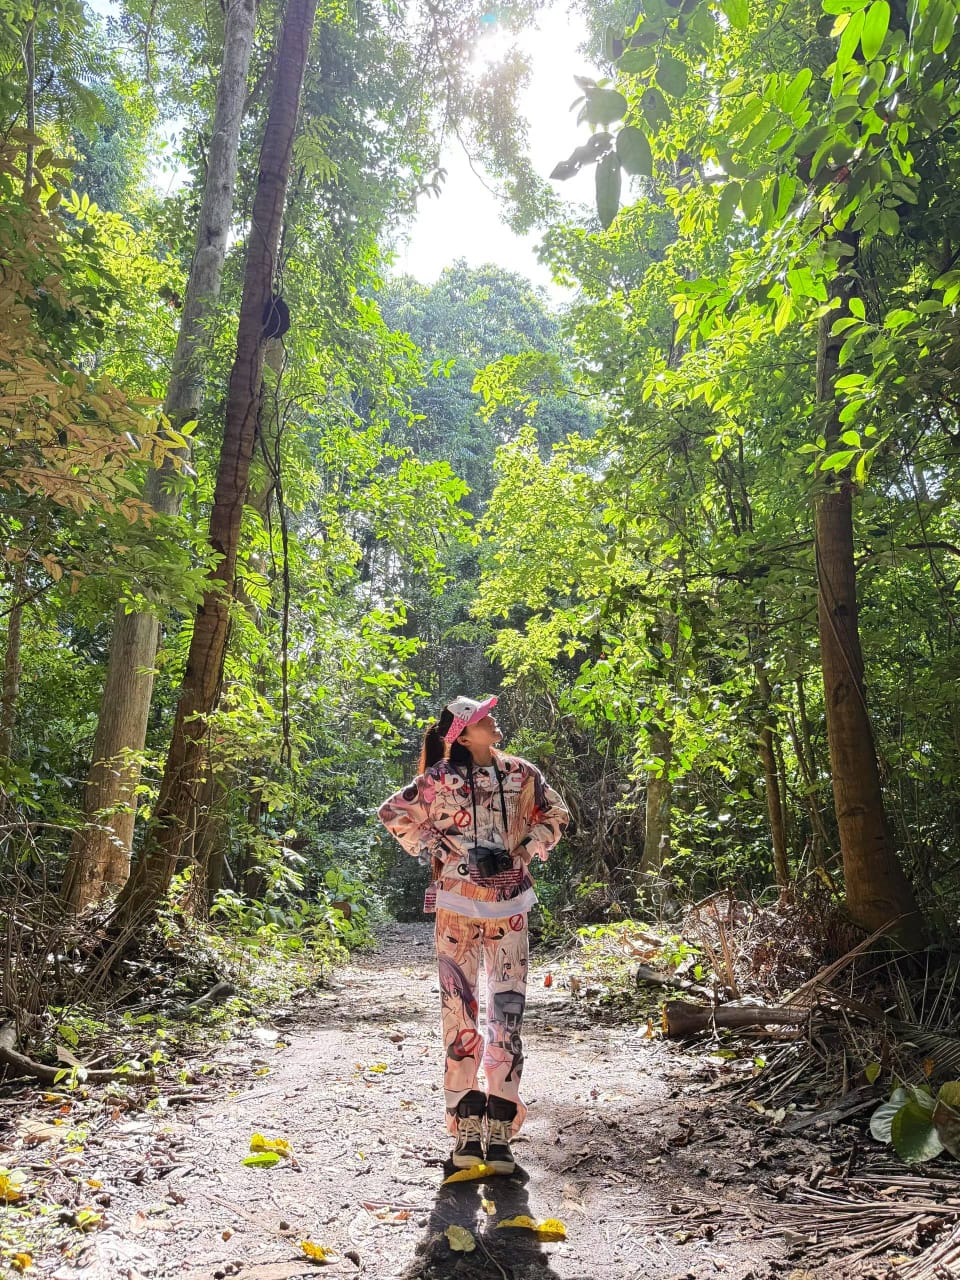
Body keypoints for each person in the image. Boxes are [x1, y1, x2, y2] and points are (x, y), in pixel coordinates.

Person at [378, 695, 569, 1173]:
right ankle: (465, 1127)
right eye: (484, 718)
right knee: (458, 1014)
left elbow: (556, 814)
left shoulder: (523, 774)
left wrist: (524, 850)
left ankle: (501, 1128)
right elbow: (393, 813)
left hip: (512, 908)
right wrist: (442, 850)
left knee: (507, 1012)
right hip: (457, 909)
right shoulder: (439, 779)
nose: (495, 720)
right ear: (463, 734)